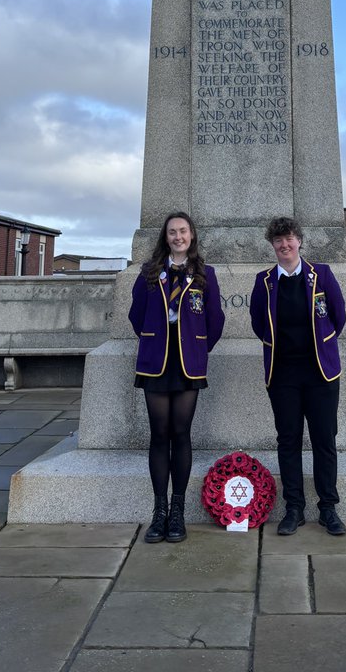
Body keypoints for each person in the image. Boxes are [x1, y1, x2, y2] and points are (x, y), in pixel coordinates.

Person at [129, 211, 225, 543]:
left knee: (181, 434)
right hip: (156, 361)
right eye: (172, 232)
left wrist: (197, 348)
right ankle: (159, 513)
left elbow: (215, 320)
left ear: (192, 235)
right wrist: (155, 339)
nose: (178, 237)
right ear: (166, 237)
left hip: (188, 364)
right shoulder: (149, 273)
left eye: (183, 231)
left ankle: (178, 513)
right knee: (159, 435)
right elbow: (135, 314)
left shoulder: (204, 274)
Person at [249, 216, 346, 536]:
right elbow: (258, 323)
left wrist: (321, 345)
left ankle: (328, 508)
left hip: (320, 372)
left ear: (300, 241)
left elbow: (338, 315)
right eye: (278, 240)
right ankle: (294, 508)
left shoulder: (322, 275)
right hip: (283, 375)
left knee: (323, 440)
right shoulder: (264, 281)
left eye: (289, 238)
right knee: (288, 440)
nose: (284, 245)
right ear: (272, 245)